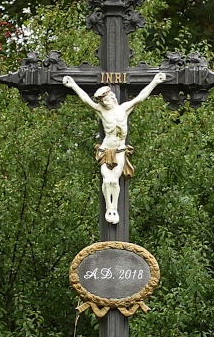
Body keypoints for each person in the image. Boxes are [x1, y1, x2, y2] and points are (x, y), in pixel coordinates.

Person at [62, 72, 168, 224]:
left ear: (112, 98)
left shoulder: (123, 109)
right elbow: (85, 99)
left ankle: (114, 209)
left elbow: (140, 98)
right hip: (106, 150)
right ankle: (109, 209)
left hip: (120, 150)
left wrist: (154, 82)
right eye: (103, 101)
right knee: (107, 181)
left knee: (114, 180)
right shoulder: (102, 111)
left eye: (107, 99)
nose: (106, 103)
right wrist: (73, 85)